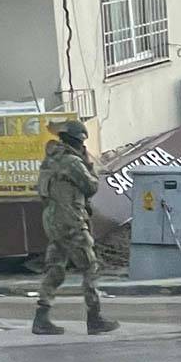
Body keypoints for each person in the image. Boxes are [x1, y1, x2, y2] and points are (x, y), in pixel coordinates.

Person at [32, 119, 119, 336]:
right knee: (89, 267)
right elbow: (91, 186)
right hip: (70, 220)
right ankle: (94, 317)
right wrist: (88, 162)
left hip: (53, 221)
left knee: (55, 268)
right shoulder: (72, 162)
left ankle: (41, 317)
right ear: (79, 141)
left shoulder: (50, 160)